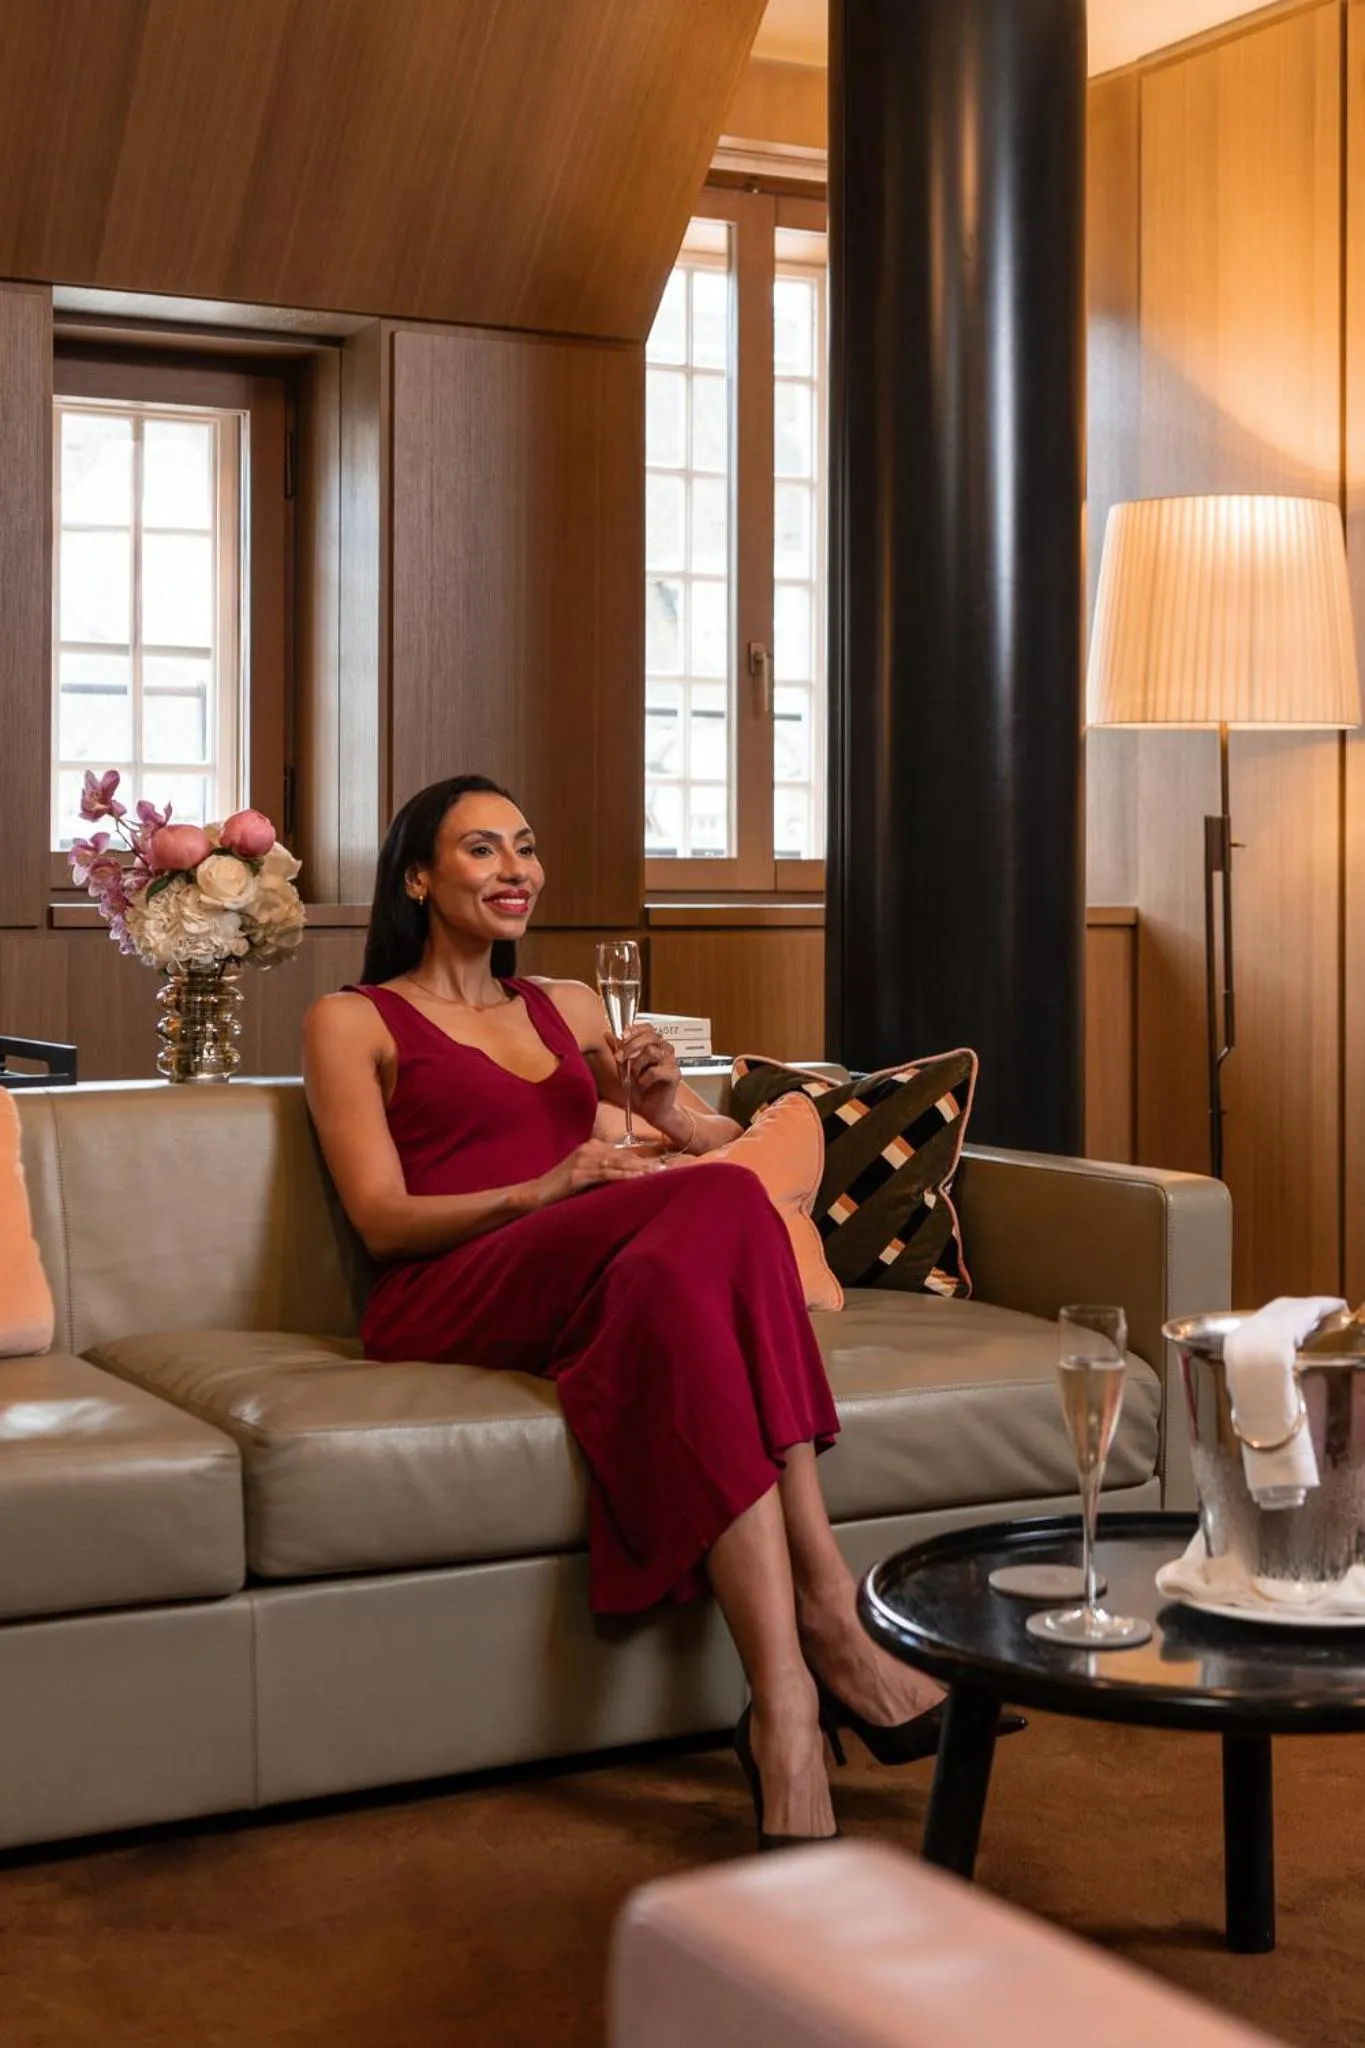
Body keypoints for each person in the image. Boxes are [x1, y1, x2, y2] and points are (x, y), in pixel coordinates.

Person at [303, 773, 951, 1850]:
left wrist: (662, 1113)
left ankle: (785, 1697)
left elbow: (691, 1157)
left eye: (526, 844)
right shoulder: (353, 1018)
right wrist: (542, 1189)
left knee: (686, 1271)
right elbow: (380, 1221)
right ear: (417, 876)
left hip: (598, 1273)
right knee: (710, 1214)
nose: (517, 869)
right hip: (453, 1283)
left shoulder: (568, 1004)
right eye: (481, 850)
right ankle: (831, 1611)